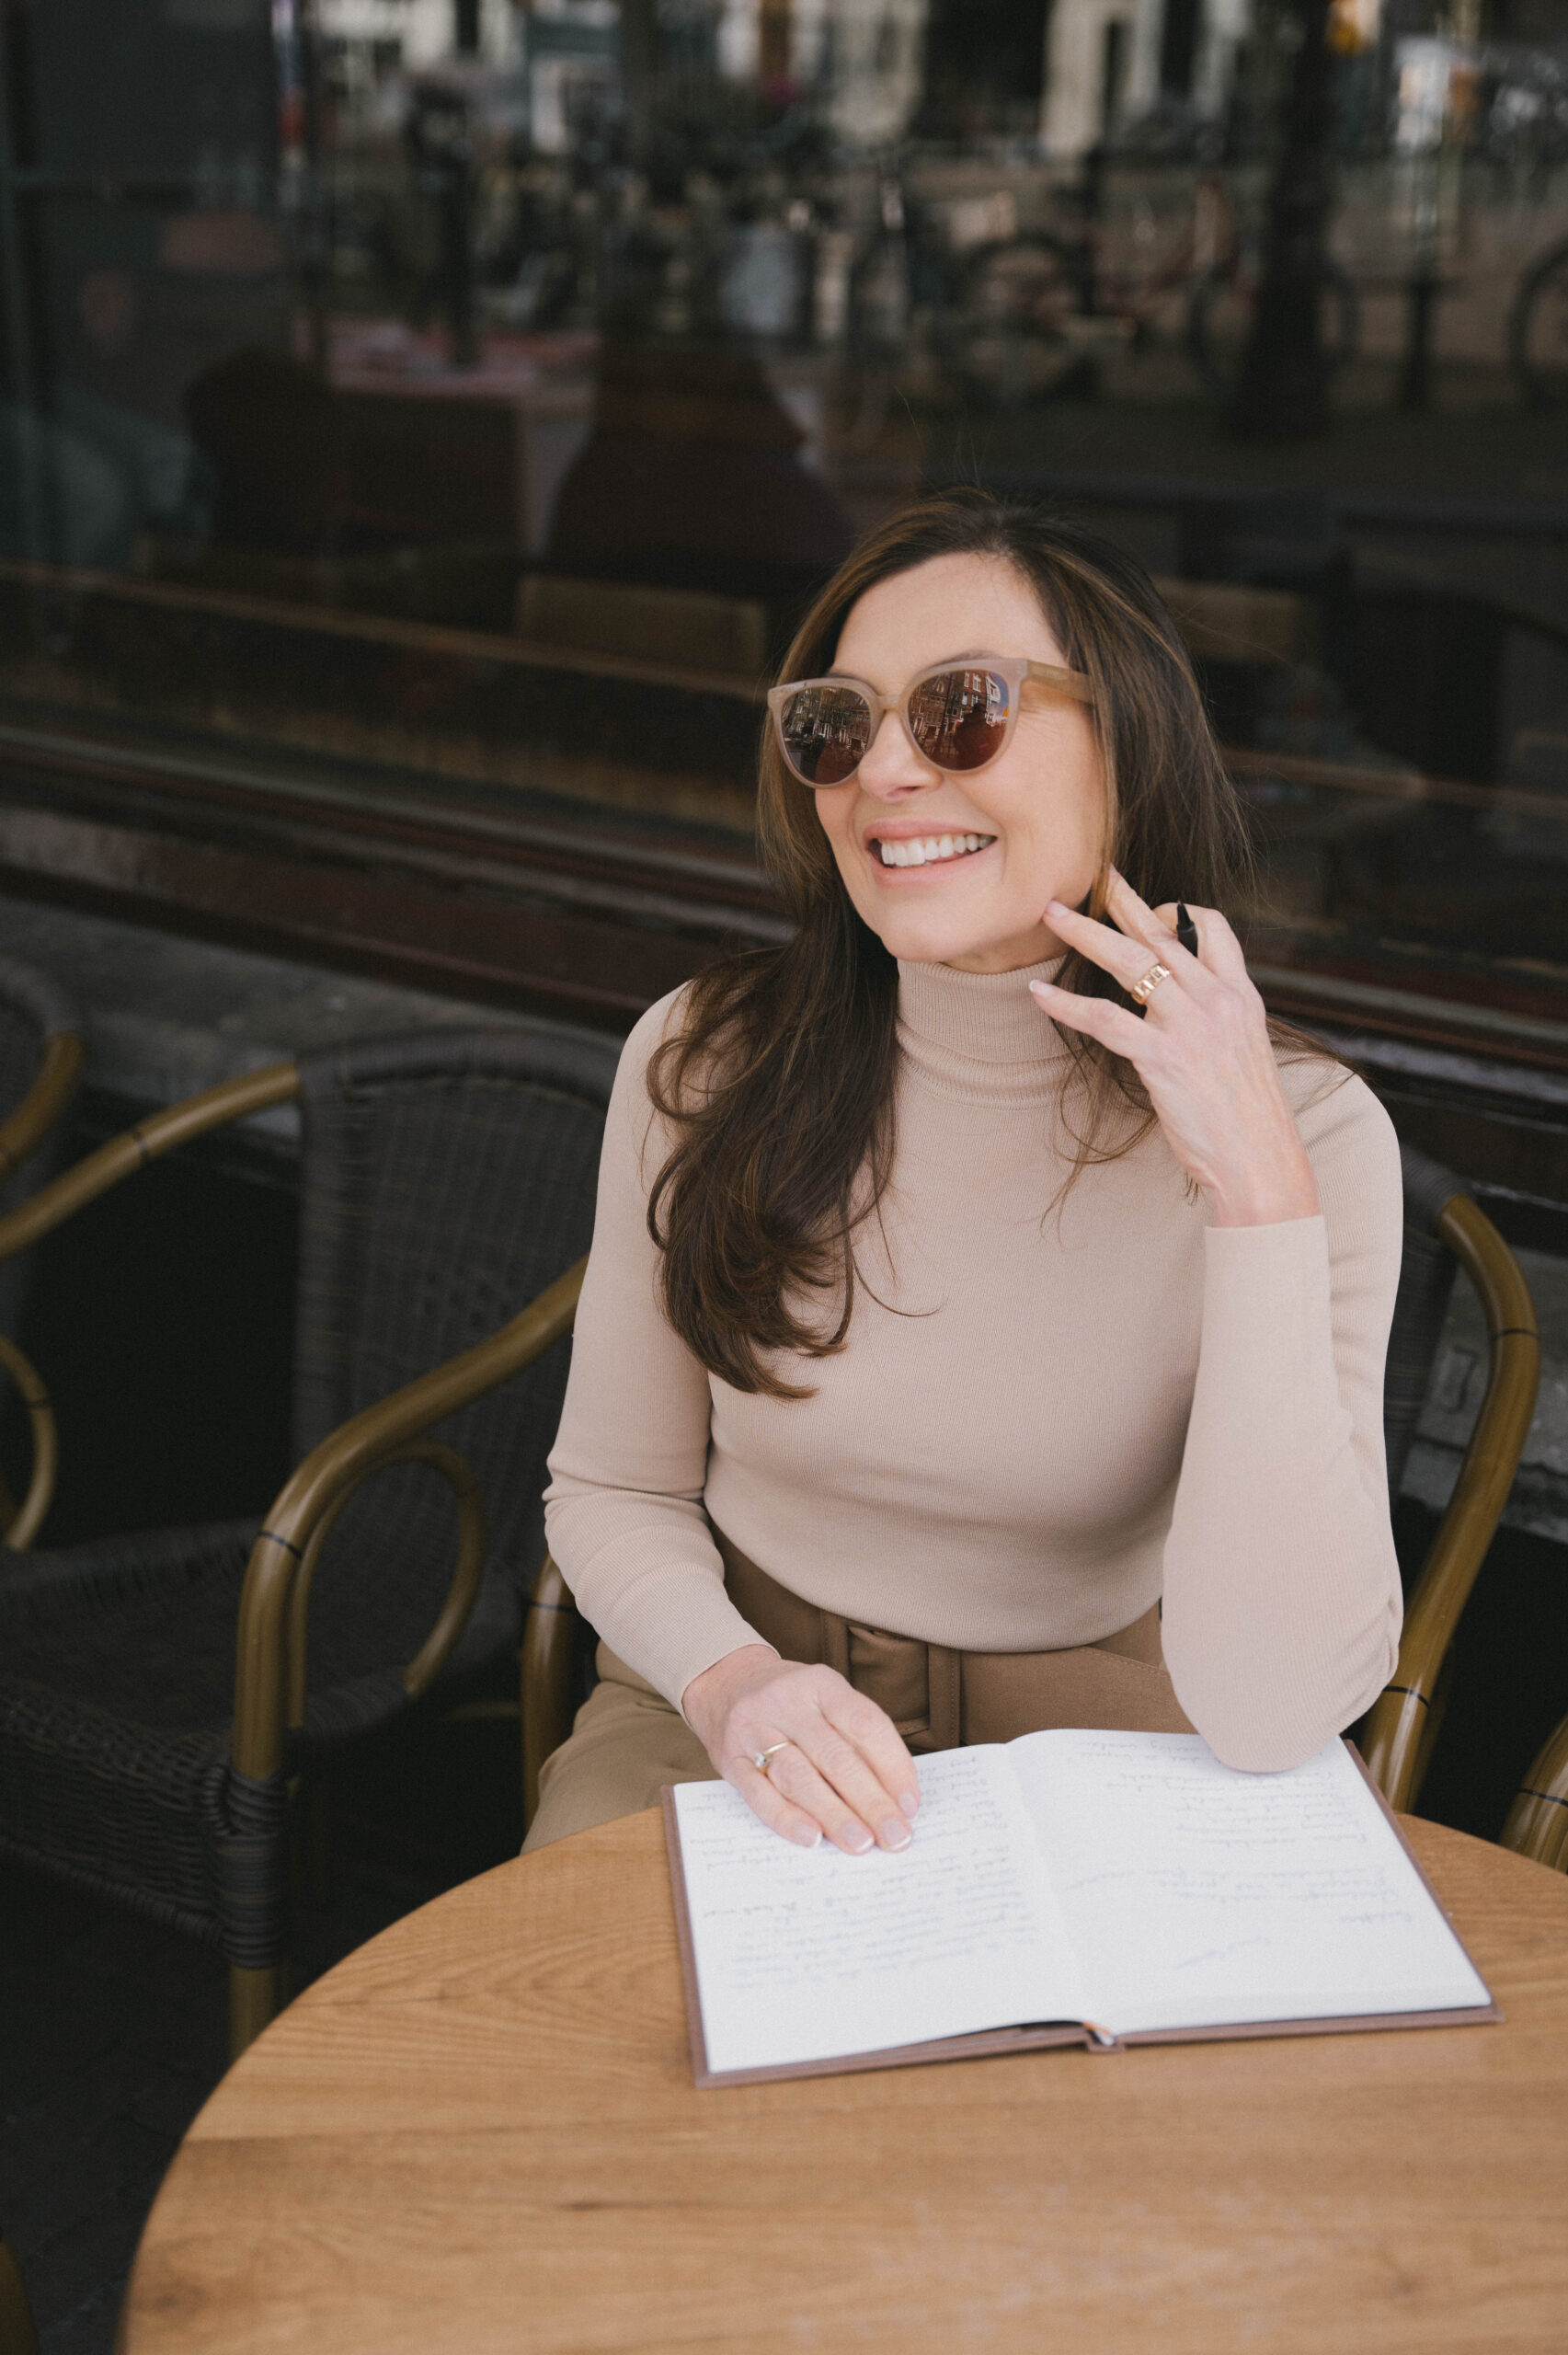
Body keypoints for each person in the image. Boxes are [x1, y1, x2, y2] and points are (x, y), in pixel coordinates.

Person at [529, 488, 1402, 1858]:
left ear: (1127, 741)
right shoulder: (706, 1057)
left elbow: (1276, 1706)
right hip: (732, 1702)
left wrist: (1255, 1194)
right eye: (836, 724)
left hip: (1122, 1736)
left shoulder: (1309, 1133)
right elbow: (613, 1489)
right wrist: (730, 1680)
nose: (883, 772)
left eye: (961, 710)